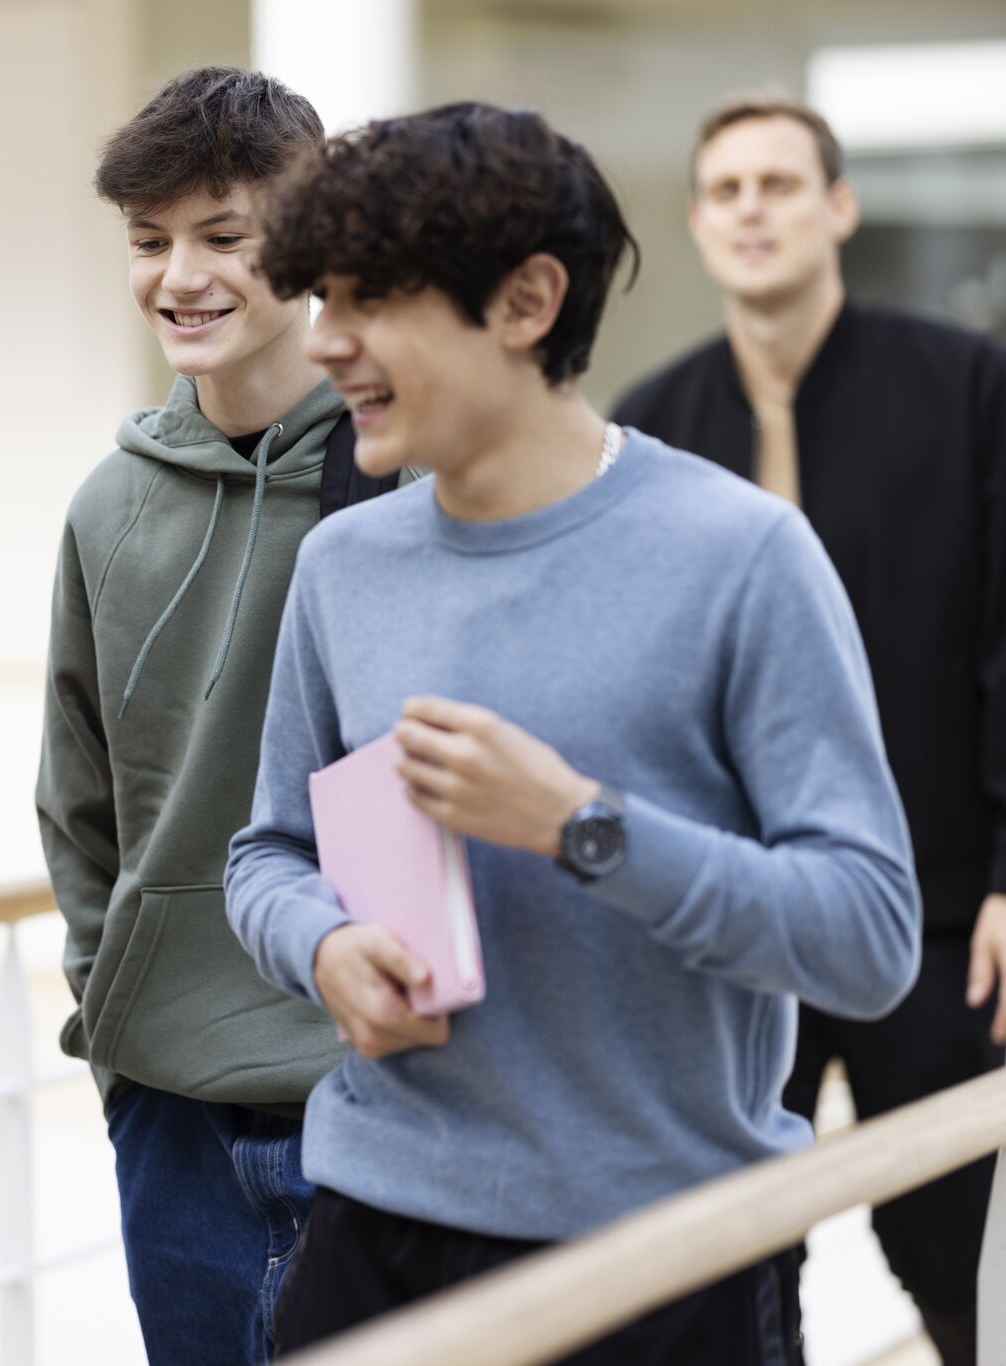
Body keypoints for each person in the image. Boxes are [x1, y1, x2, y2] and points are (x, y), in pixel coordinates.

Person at [225, 102, 920, 1363]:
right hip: (371, 1229)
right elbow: (264, 852)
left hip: (668, 1255)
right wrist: (319, 949)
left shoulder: (743, 555)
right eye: (319, 297)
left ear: (527, 299)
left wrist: (578, 827)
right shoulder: (340, 563)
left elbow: (868, 938)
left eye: (367, 298)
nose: (323, 343)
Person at [614, 96, 1006, 1364]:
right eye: (723, 191)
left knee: (961, 1259)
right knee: (722, 1272)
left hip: (937, 918)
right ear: (694, 221)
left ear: (837, 208)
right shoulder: (648, 427)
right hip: (725, 941)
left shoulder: (967, 387)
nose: (750, 211)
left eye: (779, 185)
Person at [35, 66, 400, 1366]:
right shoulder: (106, 506)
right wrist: (114, 1022)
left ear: (300, 242)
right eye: (148, 241)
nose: (179, 275)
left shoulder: (400, 475)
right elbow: (77, 800)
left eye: (222, 236)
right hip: (169, 1102)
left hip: (372, 1083)